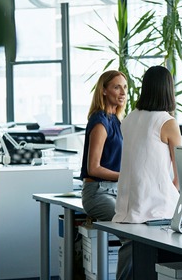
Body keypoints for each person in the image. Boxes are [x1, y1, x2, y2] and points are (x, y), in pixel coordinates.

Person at [113, 65, 182, 279]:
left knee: (131, 261)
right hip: (155, 208)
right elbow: (180, 173)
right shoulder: (167, 122)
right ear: (168, 90)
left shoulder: (129, 118)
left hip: (129, 205)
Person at [78, 70, 129, 279]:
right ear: (104, 90)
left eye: (125, 87)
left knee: (144, 232)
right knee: (132, 237)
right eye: (117, 87)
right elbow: (94, 168)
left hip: (115, 191)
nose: (123, 92)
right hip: (97, 193)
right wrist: (125, 176)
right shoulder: (100, 121)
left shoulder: (116, 119)